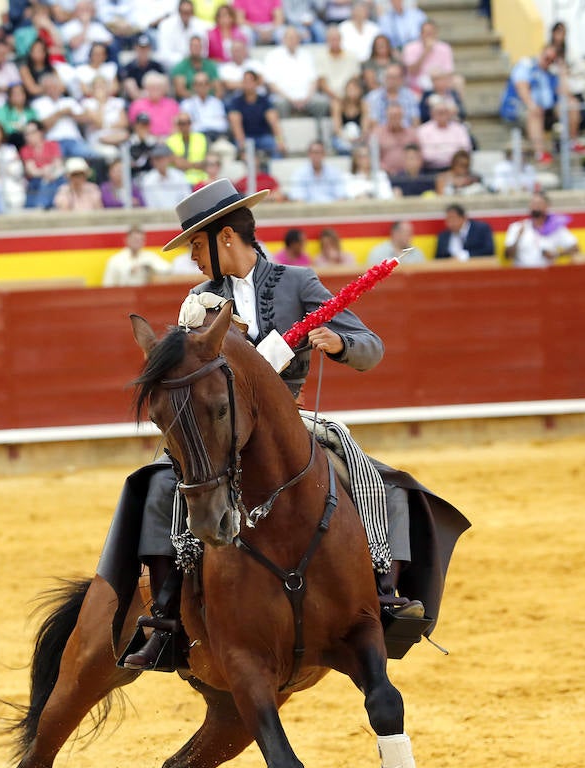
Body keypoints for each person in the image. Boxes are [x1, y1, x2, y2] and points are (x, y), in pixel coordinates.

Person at [121, 177, 425, 669]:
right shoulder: (197, 300)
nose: (192, 257)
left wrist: (340, 344)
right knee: (162, 485)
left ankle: (383, 591)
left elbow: (371, 348)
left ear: (225, 237)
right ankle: (166, 617)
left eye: (196, 244)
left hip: (289, 422)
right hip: (219, 431)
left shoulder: (297, 282)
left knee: (374, 477)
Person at [504, 192, 578, 268]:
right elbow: (508, 256)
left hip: (547, 273)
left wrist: (556, 254)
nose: (535, 207)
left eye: (539, 203)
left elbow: (575, 248)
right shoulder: (517, 227)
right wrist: (518, 237)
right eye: (533, 203)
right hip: (522, 272)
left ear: (547, 206)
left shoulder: (555, 227)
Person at [102, 223, 171, 286]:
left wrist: (150, 268)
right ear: (126, 240)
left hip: (146, 293)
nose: (137, 242)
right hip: (124, 294)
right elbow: (108, 284)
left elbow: (168, 269)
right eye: (134, 239)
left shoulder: (150, 257)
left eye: (140, 240)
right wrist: (129, 272)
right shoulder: (115, 260)